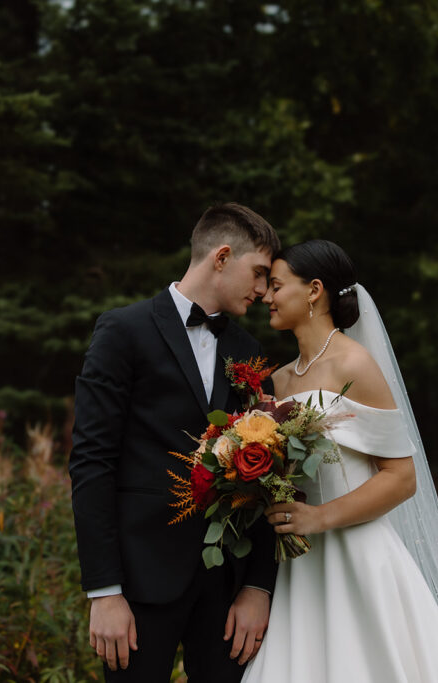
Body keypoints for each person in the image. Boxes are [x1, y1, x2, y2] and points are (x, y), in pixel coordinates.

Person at [243, 240, 438, 682]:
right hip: (299, 565)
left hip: (357, 555)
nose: (267, 295)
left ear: (314, 290)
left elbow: (401, 478)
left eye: (278, 285)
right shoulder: (278, 380)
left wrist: (319, 517)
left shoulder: (355, 364)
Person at [69, 203, 281, 681]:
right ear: (222, 257)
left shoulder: (247, 350)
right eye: (260, 273)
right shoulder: (123, 331)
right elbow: (91, 462)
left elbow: (270, 471)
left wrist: (258, 588)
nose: (264, 291)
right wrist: (104, 591)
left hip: (227, 589)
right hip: (140, 583)